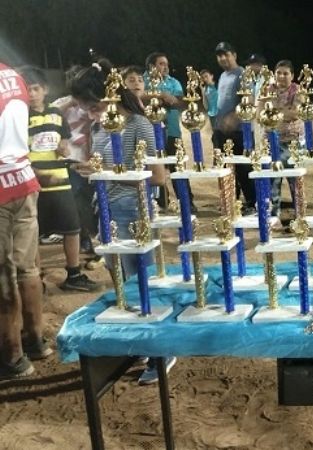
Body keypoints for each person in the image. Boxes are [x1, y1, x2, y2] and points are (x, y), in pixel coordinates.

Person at [70, 60, 175, 385]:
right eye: (84, 108)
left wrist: (106, 173)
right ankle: (141, 344)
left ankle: (162, 351)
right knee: (123, 286)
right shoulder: (101, 128)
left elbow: (156, 177)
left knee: (141, 283)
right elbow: (106, 166)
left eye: (93, 105)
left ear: (109, 95)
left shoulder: (139, 125)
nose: (90, 114)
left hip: (134, 212)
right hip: (107, 212)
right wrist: (88, 168)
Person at [22, 66, 99, 292]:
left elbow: (64, 141)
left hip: (60, 179)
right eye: (28, 89)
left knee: (71, 228)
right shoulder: (19, 117)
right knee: (33, 232)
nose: (32, 94)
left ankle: (73, 274)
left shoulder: (56, 115)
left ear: (45, 89)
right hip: (33, 182)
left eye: (36, 88)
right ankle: (36, 278)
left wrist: (64, 148)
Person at [0, 63, 52, 380]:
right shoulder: (13, 76)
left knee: (4, 275)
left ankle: (12, 355)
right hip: (24, 180)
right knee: (28, 267)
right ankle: (35, 340)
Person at [51, 65, 100, 266]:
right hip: (73, 161)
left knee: (94, 203)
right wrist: (72, 102)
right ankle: (86, 240)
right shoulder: (64, 103)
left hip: (95, 161)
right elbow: (50, 114)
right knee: (78, 204)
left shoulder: (97, 103)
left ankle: (98, 240)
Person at [143, 52, 194, 212]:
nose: (166, 67)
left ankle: (186, 202)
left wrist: (168, 100)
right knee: (155, 169)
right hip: (150, 133)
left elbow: (180, 102)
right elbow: (139, 96)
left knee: (178, 168)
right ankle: (160, 203)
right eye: (161, 64)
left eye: (166, 64)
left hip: (173, 132)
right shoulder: (142, 80)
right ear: (152, 66)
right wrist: (161, 95)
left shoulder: (173, 82)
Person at [211, 42, 253, 213]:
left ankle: (252, 204)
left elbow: (248, 100)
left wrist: (233, 118)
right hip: (222, 132)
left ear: (234, 55)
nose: (222, 58)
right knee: (226, 168)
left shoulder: (242, 74)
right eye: (220, 55)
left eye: (226, 54)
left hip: (239, 131)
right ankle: (231, 202)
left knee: (243, 169)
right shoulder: (222, 76)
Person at [267, 59, 304, 220]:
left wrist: (274, 111)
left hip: (293, 143)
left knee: (294, 179)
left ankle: (300, 215)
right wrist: (284, 111)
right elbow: (260, 111)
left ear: (292, 75)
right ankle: (273, 215)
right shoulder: (268, 89)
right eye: (278, 73)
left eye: (285, 73)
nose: (281, 76)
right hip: (271, 141)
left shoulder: (298, 90)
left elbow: (295, 113)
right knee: (272, 180)